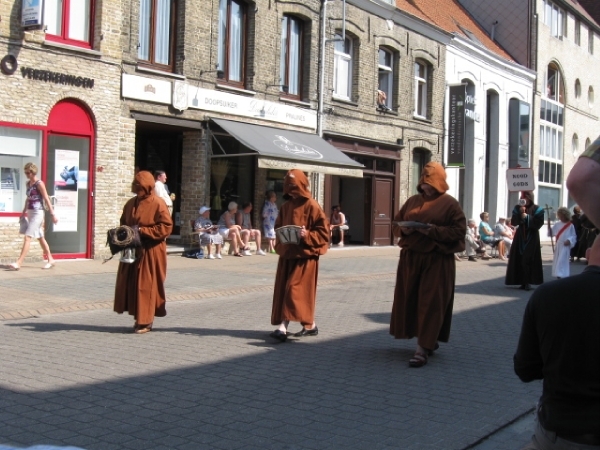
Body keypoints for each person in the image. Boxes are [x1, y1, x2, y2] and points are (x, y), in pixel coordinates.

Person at [390, 162, 466, 367]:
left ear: (440, 182)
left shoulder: (450, 204)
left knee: (431, 302)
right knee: (411, 299)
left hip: (437, 260)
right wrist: (405, 229)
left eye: (431, 184)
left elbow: (459, 232)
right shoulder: (412, 201)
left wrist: (432, 230)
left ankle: (421, 349)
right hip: (411, 258)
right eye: (424, 183)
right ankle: (428, 340)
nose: (426, 187)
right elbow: (396, 224)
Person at [269, 169, 329, 342]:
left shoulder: (313, 205)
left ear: (301, 185)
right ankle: (310, 325)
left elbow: (324, 234)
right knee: (288, 290)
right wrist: (282, 235)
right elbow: (278, 226)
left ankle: (283, 327)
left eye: (294, 186)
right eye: (288, 186)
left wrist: (307, 235)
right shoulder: (286, 206)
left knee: (294, 290)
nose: (290, 190)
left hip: (305, 256)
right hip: (288, 254)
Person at [113, 171, 173, 334]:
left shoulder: (158, 203)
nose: (137, 189)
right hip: (132, 248)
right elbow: (124, 222)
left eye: (140, 186)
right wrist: (123, 234)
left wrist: (143, 231)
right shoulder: (131, 203)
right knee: (131, 283)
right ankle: (138, 317)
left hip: (151, 249)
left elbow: (166, 227)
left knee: (146, 284)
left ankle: (146, 321)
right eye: (135, 186)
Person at [10, 163, 59, 271]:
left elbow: (46, 198)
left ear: (33, 172)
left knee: (28, 237)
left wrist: (52, 214)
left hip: (38, 213)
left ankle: (19, 262)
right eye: (26, 172)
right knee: (40, 237)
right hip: (30, 212)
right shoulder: (28, 184)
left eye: (28, 172)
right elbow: (28, 199)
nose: (27, 174)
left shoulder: (39, 183)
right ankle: (50, 259)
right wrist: (23, 212)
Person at [505, 191, 545, 291]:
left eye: (526, 198)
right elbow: (514, 222)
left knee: (528, 258)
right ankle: (521, 281)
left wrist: (527, 217)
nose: (524, 201)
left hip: (532, 237)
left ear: (530, 198)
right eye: (522, 198)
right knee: (519, 258)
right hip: (520, 237)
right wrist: (519, 213)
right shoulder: (517, 208)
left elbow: (539, 223)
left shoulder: (537, 209)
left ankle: (528, 281)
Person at [551, 207, 577, 279]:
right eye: (560, 216)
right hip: (559, 244)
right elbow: (552, 233)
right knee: (558, 260)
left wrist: (569, 240)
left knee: (562, 260)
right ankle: (559, 275)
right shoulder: (557, 224)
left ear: (566, 215)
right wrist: (550, 230)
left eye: (562, 216)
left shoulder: (570, 225)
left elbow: (573, 236)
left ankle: (563, 274)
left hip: (565, 245)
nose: (561, 218)